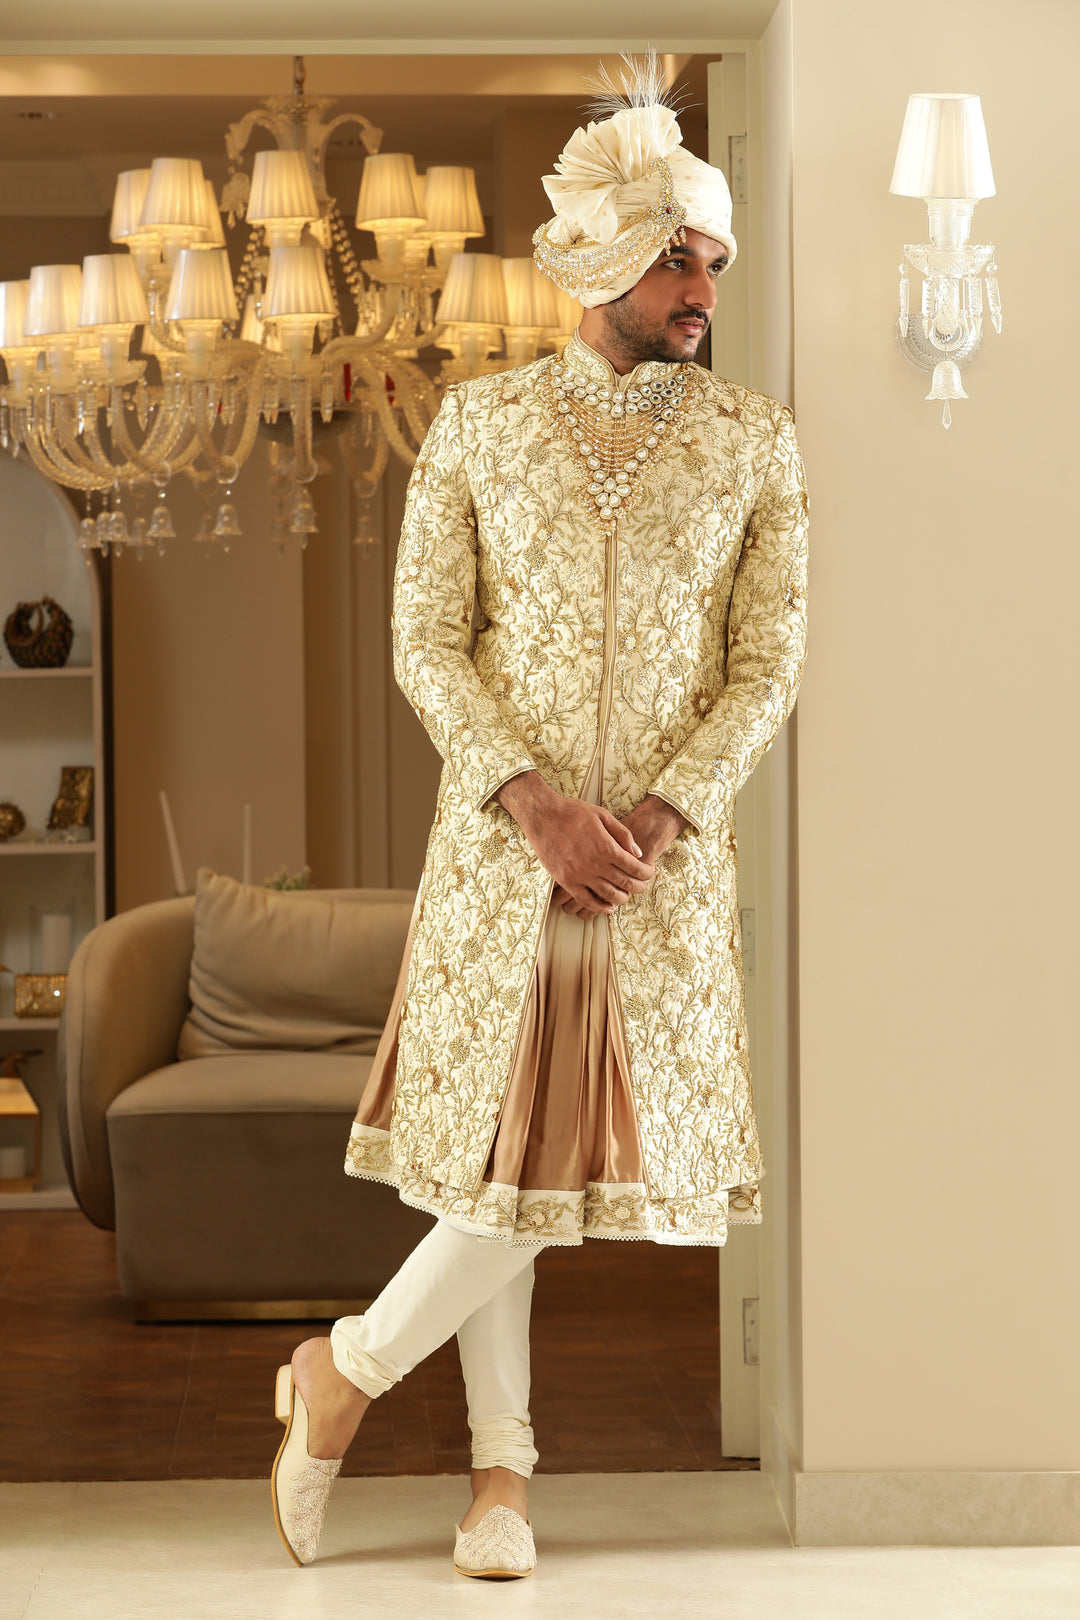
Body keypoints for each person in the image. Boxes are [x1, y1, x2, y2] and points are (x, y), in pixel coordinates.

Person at [270, 56, 809, 1582]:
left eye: (712, 260)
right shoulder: (479, 427)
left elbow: (769, 663)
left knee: (551, 1177)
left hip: (652, 875)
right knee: (502, 1168)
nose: (702, 288)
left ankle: (342, 1375)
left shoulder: (755, 439)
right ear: (602, 261)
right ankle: (498, 1478)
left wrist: (659, 817)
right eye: (677, 259)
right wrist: (534, 805)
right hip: (505, 864)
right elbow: (426, 641)